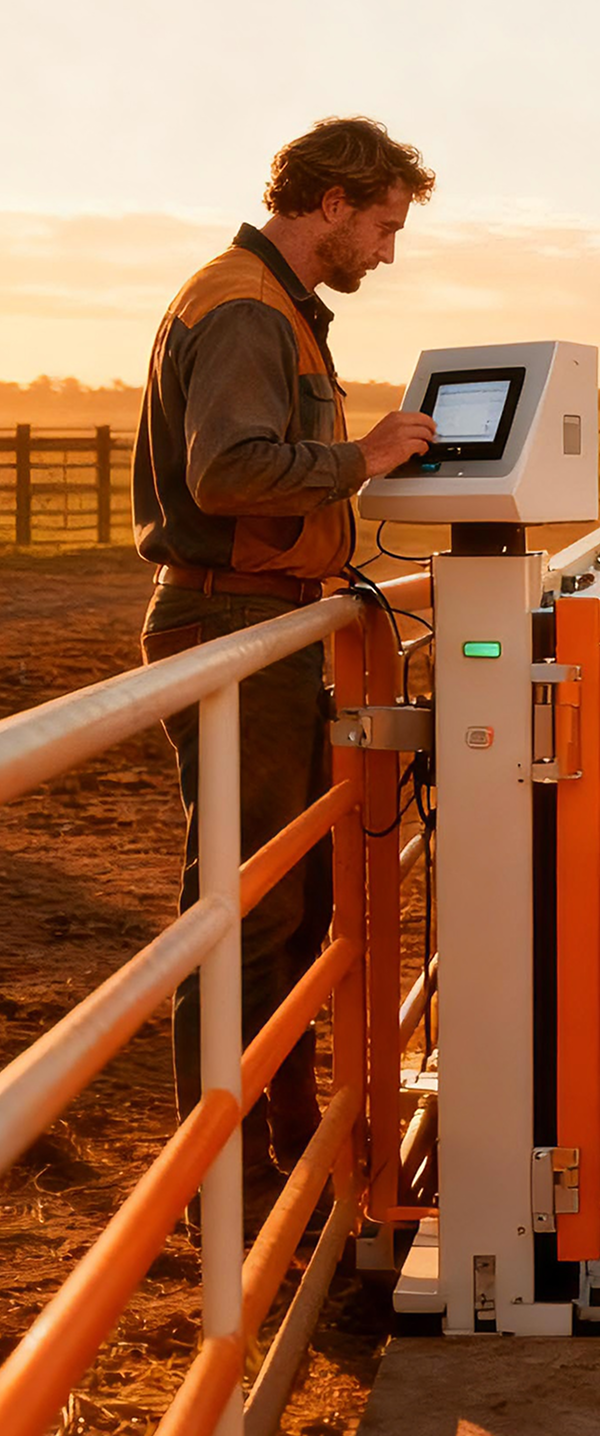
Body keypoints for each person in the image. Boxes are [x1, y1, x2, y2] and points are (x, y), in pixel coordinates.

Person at [134, 115, 438, 1222]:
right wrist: (363, 457)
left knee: (292, 900)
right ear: (332, 204)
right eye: (384, 227)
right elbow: (226, 472)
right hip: (229, 621)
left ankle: (283, 1125)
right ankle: (223, 1177)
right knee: (245, 904)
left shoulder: (272, 304)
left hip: (262, 619)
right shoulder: (247, 308)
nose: (387, 253)